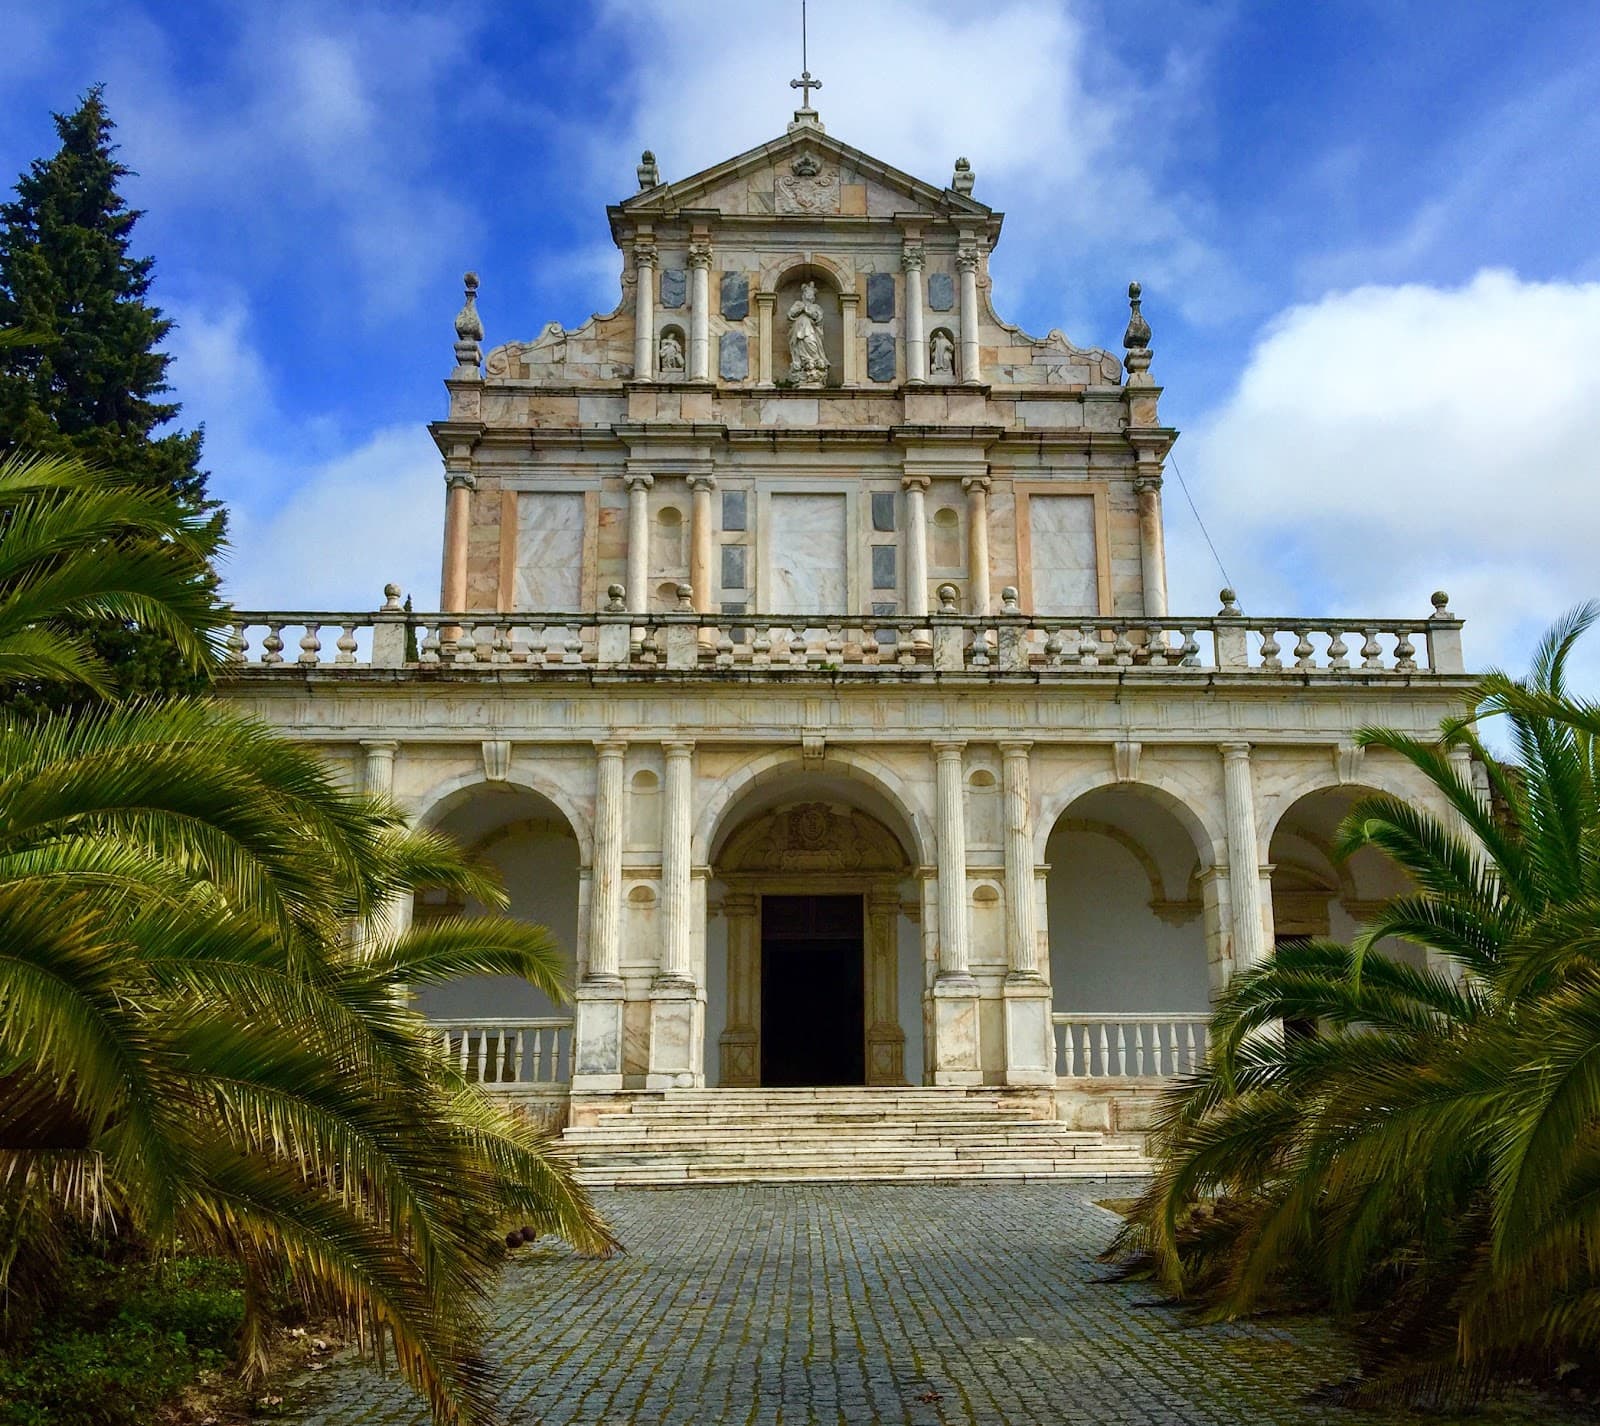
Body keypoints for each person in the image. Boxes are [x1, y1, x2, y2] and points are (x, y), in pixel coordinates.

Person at [787, 281, 828, 382]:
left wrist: (806, 311)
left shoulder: (816, 307)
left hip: (811, 332)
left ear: (813, 296)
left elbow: (818, 318)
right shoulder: (798, 304)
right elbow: (790, 315)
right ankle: (803, 366)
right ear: (803, 295)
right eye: (807, 293)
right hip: (798, 331)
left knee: (811, 343)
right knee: (800, 345)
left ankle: (814, 364)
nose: (809, 295)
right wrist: (799, 310)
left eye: (811, 294)